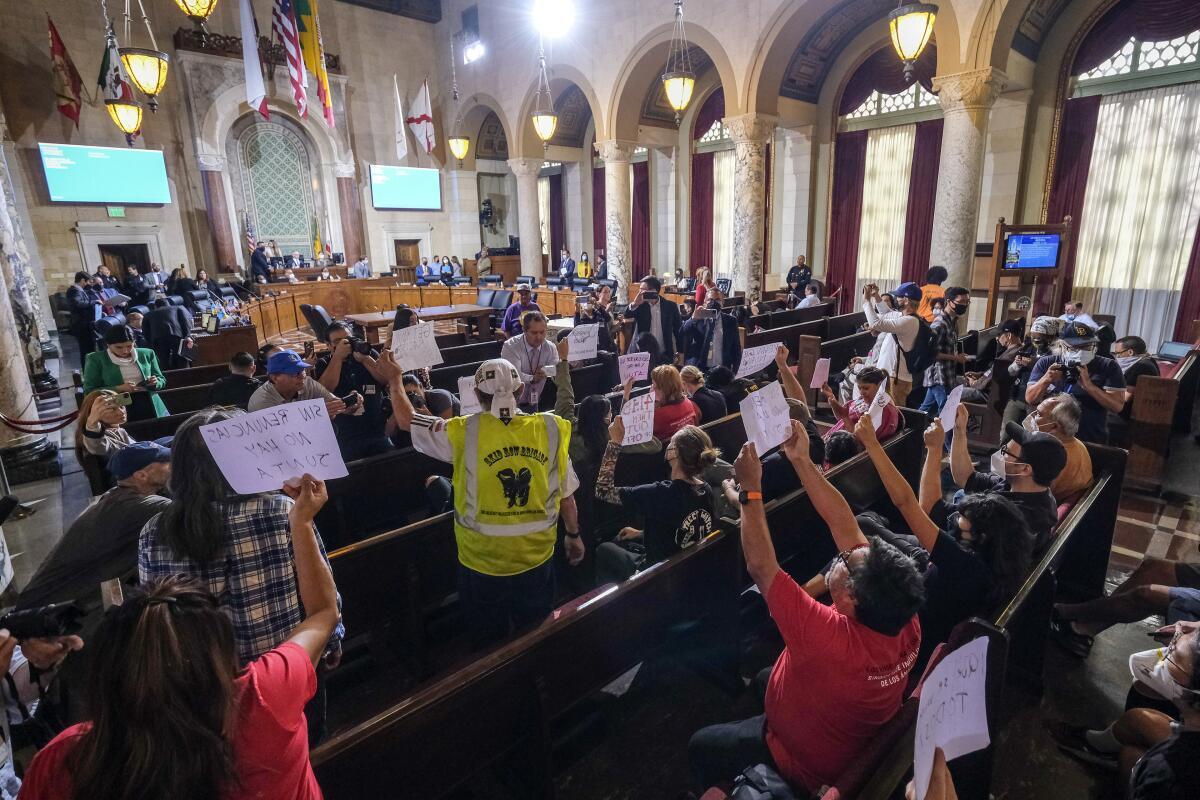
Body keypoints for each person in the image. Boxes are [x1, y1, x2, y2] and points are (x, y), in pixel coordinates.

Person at [25, 475, 337, 800]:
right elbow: (323, 614)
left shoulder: (67, 760)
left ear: (112, 670)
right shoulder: (264, 699)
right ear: (219, 652)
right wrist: (301, 522)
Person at [690, 424, 924, 792]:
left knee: (700, 745)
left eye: (844, 561)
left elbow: (761, 566)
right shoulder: (902, 616)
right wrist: (801, 460)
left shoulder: (828, 638)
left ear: (851, 597)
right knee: (767, 674)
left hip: (804, 765)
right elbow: (842, 521)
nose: (841, 553)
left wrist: (751, 490)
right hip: (844, 731)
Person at [386, 352, 584, 649]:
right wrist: (573, 534)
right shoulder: (550, 429)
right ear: (519, 391)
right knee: (536, 634)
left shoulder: (463, 431)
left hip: (481, 561)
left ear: (476, 395)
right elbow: (566, 496)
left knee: (488, 640)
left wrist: (394, 378)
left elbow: (406, 420)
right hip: (536, 556)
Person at [857, 415, 1032, 662]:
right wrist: (934, 449)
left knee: (855, 560)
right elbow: (934, 508)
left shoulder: (965, 564)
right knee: (866, 525)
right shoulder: (998, 551)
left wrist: (872, 445)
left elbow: (906, 502)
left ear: (980, 536)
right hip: (932, 597)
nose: (956, 518)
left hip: (911, 637)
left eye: (963, 519)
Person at [1048, 620, 1200, 799]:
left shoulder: (1171, 777)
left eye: (1172, 652)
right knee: (1138, 720)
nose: (1184, 630)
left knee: (1129, 756)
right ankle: (1092, 745)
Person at [18, 441, 172, 610]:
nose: (172, 464)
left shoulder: (117, 496)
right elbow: (195, 514)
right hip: (52, 612)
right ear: (141, 475)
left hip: (51, 601)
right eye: (166, 462)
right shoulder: (141, 506)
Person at [593, 422, 717, 583]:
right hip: (688, 568)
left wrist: (614, 443)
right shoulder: (706, 490)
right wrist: (641, 533)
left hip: (657, 575)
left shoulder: (662, 493)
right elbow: (685, 530)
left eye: (671, 443)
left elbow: (602, 490)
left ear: (675, 453)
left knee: (604, 549)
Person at [949, 409, 1065, 554]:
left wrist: (934, 449)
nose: (1000, 455)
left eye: (1006, 452)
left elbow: (934, 511)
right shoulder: (1021, 485)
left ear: (1025, 469)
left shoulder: (1012, 516)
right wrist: (959, 431)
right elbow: (965, 477)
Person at [1026, 320, 1125, 444]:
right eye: (1074, 347)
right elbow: (1030, 399)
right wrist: (1046, 380)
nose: (1080, 351)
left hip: (1089, 438)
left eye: (1086, 346)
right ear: (1061, 346)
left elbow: (1117, 406)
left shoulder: (1108, 366)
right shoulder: (1046, 363)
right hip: (1048, 436)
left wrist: (1089, 386)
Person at [314, 322, 394, 460]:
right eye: (338, 342)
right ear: (328, 345)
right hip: (345, 435)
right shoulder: (324, 363)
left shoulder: (368, 354)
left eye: (347, 339)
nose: (345, 345)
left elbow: (386, 380)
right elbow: (324, 390)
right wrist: (338, 357)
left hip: (377, 430)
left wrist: (366, 359)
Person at [82, 325, 168, 421]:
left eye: (129, 346)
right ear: (108, 344)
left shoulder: (146, 353)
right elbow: (90, 391)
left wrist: (156, 382)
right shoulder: (96, 359)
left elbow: (161, 379)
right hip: (117, 405)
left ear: (134, 342)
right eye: (119, 347)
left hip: (149, 402)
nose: (125, 350)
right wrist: (119, 388)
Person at [863, 281, 923, 406]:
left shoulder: (910, 321)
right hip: (890, 375)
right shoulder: (903, 316)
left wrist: (866, 301)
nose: (896, 299)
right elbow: (886, 314)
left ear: (906, 300)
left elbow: (876, 324)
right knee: (883, 414)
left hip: (896, 379)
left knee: (894, 416)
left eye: (898, 297)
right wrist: (876, 296)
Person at [1023, 394, 1093, 500]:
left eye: (1038, 414)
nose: (1031, 416)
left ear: (1054, 426)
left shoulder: (1050, 456)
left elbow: (1028, 495)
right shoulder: (1077, 443)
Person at [248, 350, 349, 417]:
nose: (302, 376)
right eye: (294, 373)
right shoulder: (262, 402)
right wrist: (318, 412)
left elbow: (335, 403)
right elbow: (285, 432)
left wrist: (349, 404)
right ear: (275, 378)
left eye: (302, 370)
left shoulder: (308, 383)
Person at [919, 285, 971, 416]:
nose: (964, 305)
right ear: (948, 301)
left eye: (967, 302)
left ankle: (911, 432)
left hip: (947, 373)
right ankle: (947, 437)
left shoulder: (953, 322)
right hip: (938, 374)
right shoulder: (939, 323)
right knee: (947, 413)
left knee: (925, 411)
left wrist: (958, 355)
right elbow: (930, 352)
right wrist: (956, 358)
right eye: (961, 302)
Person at [821, 366, 900, 440]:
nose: (861, 392)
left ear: (880, 385)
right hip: (834, 440)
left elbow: (862, 442)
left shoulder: (885, 410)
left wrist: (845, 417)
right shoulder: (862, 400)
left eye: (866, 388)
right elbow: (840, 418)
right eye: (859, 388)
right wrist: (831, 398)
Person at [500, 310, 559, 410]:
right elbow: (513, 376)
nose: (539, 337)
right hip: (511, 404)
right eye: (534, 333)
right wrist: (532, 378)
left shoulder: (550, 347)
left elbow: (557, 369)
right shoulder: (510, 346)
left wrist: (546, 371)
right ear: (524, 330)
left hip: (537, 401)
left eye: (542, 332)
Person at [626, 276, 684, 361]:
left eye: (643, 289)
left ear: (654, 291)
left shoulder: (670, 306)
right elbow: (627, 315)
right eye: (640, 289)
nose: (640, 292)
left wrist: (680, 350)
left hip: (664, 353)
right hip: (642, 353)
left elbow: (678, 329)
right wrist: (635, 304)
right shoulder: (640, 306)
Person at [681, 295, 742, 372]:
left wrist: (735, 369)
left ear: (723, 302)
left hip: (721, 368)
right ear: (704, 302)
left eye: (717, 299)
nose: (713, 302)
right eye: (710, 299)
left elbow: (736, 347)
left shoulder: (731, 321)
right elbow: (682, 333)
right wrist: (693, 319)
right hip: (698, 368)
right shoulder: (698, 317)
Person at [1113, 335, 1160, 434]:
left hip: (1127, 416)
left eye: (1118, 354)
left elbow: (1126, 397)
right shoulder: (1148, 360)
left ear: (1130, 352)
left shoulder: (1141, 367)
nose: (1117, 358)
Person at [76, 389, 135, 461]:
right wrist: (92, 423)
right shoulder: (103, 436)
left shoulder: (116, 429)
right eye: (112, 409)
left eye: (121, 406)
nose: (121, 412)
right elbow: (97, 446)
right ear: (96, 413)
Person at [142, 296, 195, 370]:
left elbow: (145, 332)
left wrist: (151, 344)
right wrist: (187, 336)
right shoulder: (178, 308)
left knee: (163, 362)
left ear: (155, 306)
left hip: (158, 339)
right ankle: (184, 376)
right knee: (181, 359)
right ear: (168, 303)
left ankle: (168, 378)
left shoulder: (148, 314)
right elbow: (186, 322)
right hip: (177, 336)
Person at [650, 364, 701, 442]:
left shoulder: (655, 417)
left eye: (654, 386)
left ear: (663, 389)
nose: (652, 388)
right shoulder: (691, 404)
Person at [66, 270, 101, 358]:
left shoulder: (80, 290)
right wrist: (93, 302)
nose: (89, 284)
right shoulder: (74, 290)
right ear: (82, 280)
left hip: (85, 323)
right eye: (88, 281)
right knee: (86, 350)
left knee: (90, 348)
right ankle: (87, 369)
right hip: (81, 324)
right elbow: (78, 303)